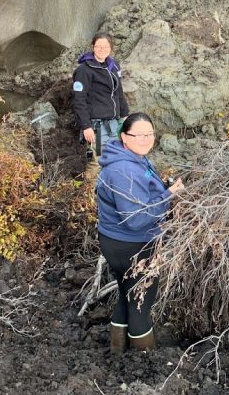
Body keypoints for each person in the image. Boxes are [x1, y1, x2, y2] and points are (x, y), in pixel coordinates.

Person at [97, 112, 184, 353]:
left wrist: (163, 190)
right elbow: (136, 219)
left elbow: (140, 197)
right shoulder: (124, 171)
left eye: (150, 134)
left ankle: (117, 350)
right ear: (125, 136)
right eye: (139, 135)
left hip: (115, 242)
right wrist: (169, 195)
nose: (146, 139)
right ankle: (145, 360)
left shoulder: (130, 158)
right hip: (133, 246)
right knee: (140, 303)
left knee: (127, 295)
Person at [73, 33, 128, 158]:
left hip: (113, 125)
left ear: (111, 48)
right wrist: (86, 126)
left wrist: (125, 116)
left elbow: (118, 92)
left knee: (115, 159)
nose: (102, 50)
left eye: (106, 46)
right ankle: (91, 178)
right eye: (99, 46)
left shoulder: (113, 66)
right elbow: (78, 100)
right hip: (95, 127)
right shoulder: (84, 70)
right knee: (95, 160)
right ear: (93, 47)